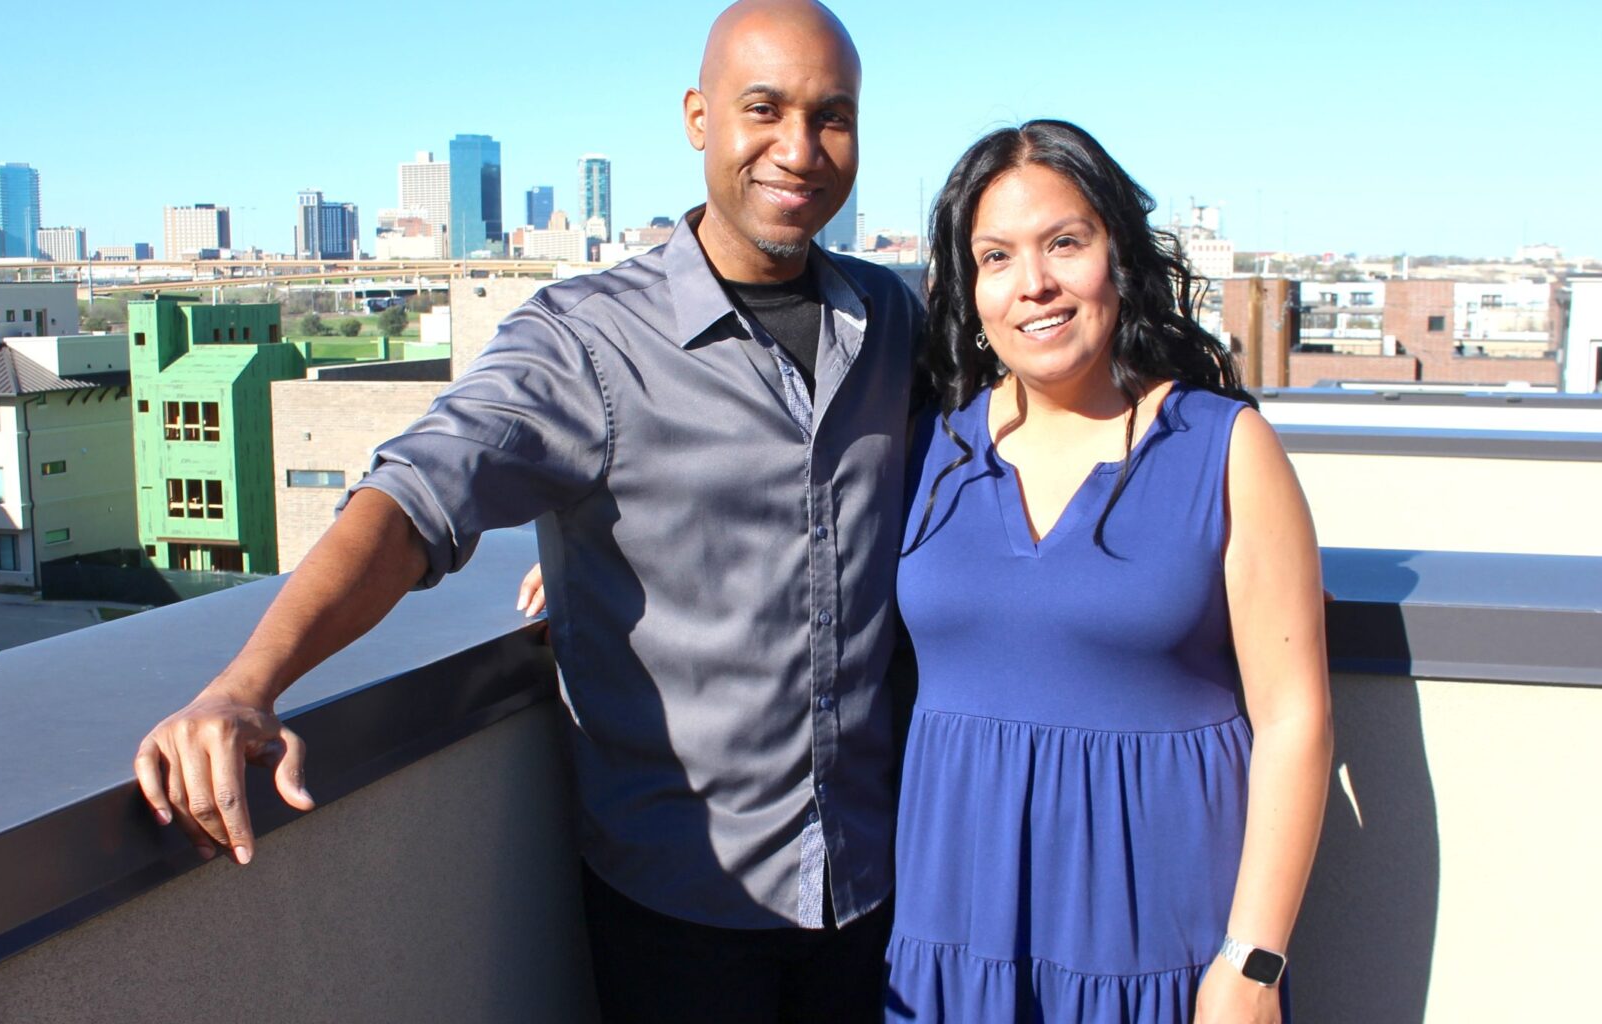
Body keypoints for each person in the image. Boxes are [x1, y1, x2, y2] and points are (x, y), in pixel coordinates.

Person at [133, 3, 924, 1020]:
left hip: (873, 881)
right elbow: (413, 497)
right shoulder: (588, 343)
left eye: (833, 116)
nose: (800, 149)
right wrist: (248, 683)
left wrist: (618, 549)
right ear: (698, 117)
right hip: (683, 905)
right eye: (763, 109)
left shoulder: (891, 319)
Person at [883, 120, 1333, 1023]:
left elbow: (1295, 717)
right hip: (953, 943)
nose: (1034, 283)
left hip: (1164, 952)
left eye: (1064, 243)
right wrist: (580, 563)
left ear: (1116, 255)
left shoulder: (1223, 449)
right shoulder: (928, 446)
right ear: (969, 288)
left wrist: (1252, 964)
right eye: (997, 256)